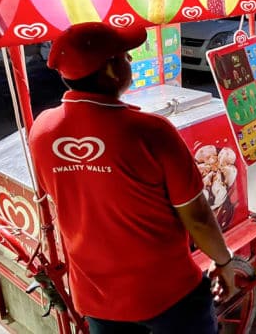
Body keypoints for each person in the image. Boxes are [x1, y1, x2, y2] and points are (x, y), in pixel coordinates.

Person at [28, 22, 236, 334]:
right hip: (168, 295)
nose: (131, 63)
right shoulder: (151, 131)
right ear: (110, 70)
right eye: (126, 57)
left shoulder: (42, 130)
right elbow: (198, 217)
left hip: (97, 299)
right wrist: (223, 262)